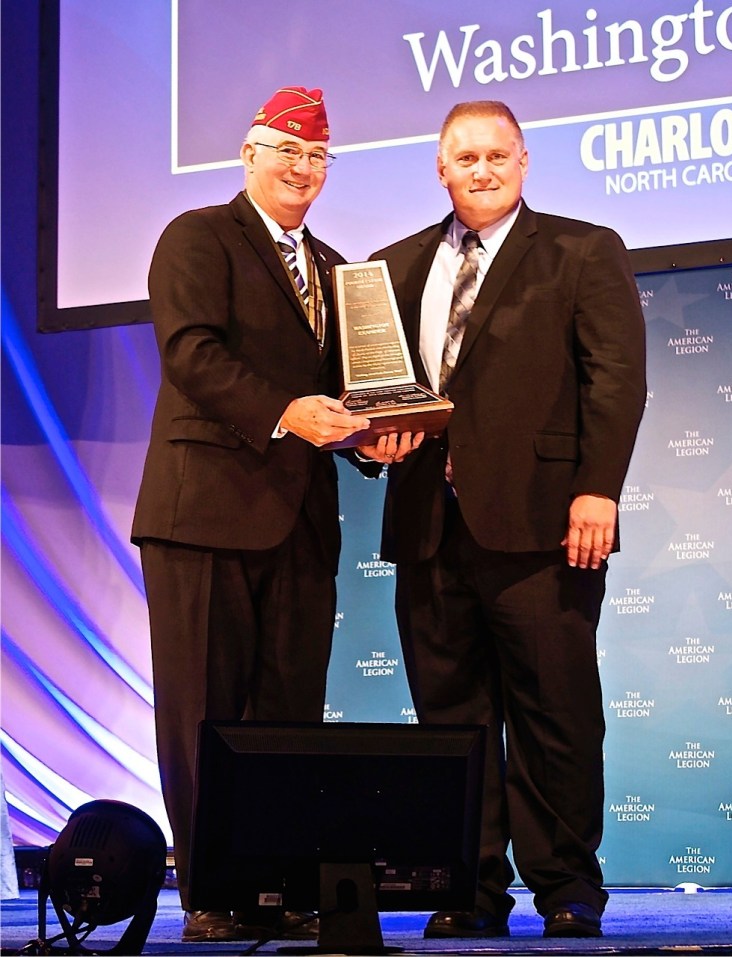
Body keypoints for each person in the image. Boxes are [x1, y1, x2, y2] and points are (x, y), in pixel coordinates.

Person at [364, 101, 646, 939]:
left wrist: (598, 487)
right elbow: (374, 398)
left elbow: (616, 380)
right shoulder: (391, 265)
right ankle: (468, 885)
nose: (480, 169)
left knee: (556, 712)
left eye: (496, 154)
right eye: (464, 157)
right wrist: (367, 447)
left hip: (545, 523)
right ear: (440, 169)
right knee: (450, 718)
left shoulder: (582, 249)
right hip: (426, 526)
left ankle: (566, 885)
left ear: (524, 161)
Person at [131, 86, 390, 943]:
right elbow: (191, 352)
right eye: (287, 150)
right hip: (202, 513)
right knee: (203, 708)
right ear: (248, 156)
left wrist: (372, 440)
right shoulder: (197, 236)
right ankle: (211, 889)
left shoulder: (339, 269)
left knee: (288, 713)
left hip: (301, 522)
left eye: (317, 155)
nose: (302, 168)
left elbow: (350, 397)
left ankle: (280, 882)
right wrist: (287, 410)